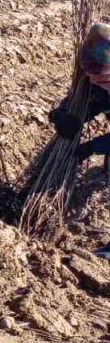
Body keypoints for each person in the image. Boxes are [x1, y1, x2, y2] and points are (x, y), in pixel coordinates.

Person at [48, 22, 110, 257]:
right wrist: (62, 115)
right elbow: (84, 98)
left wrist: (93, 146)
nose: (95, 82)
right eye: (91, 76)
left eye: (102, 78)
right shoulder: (97, 75)